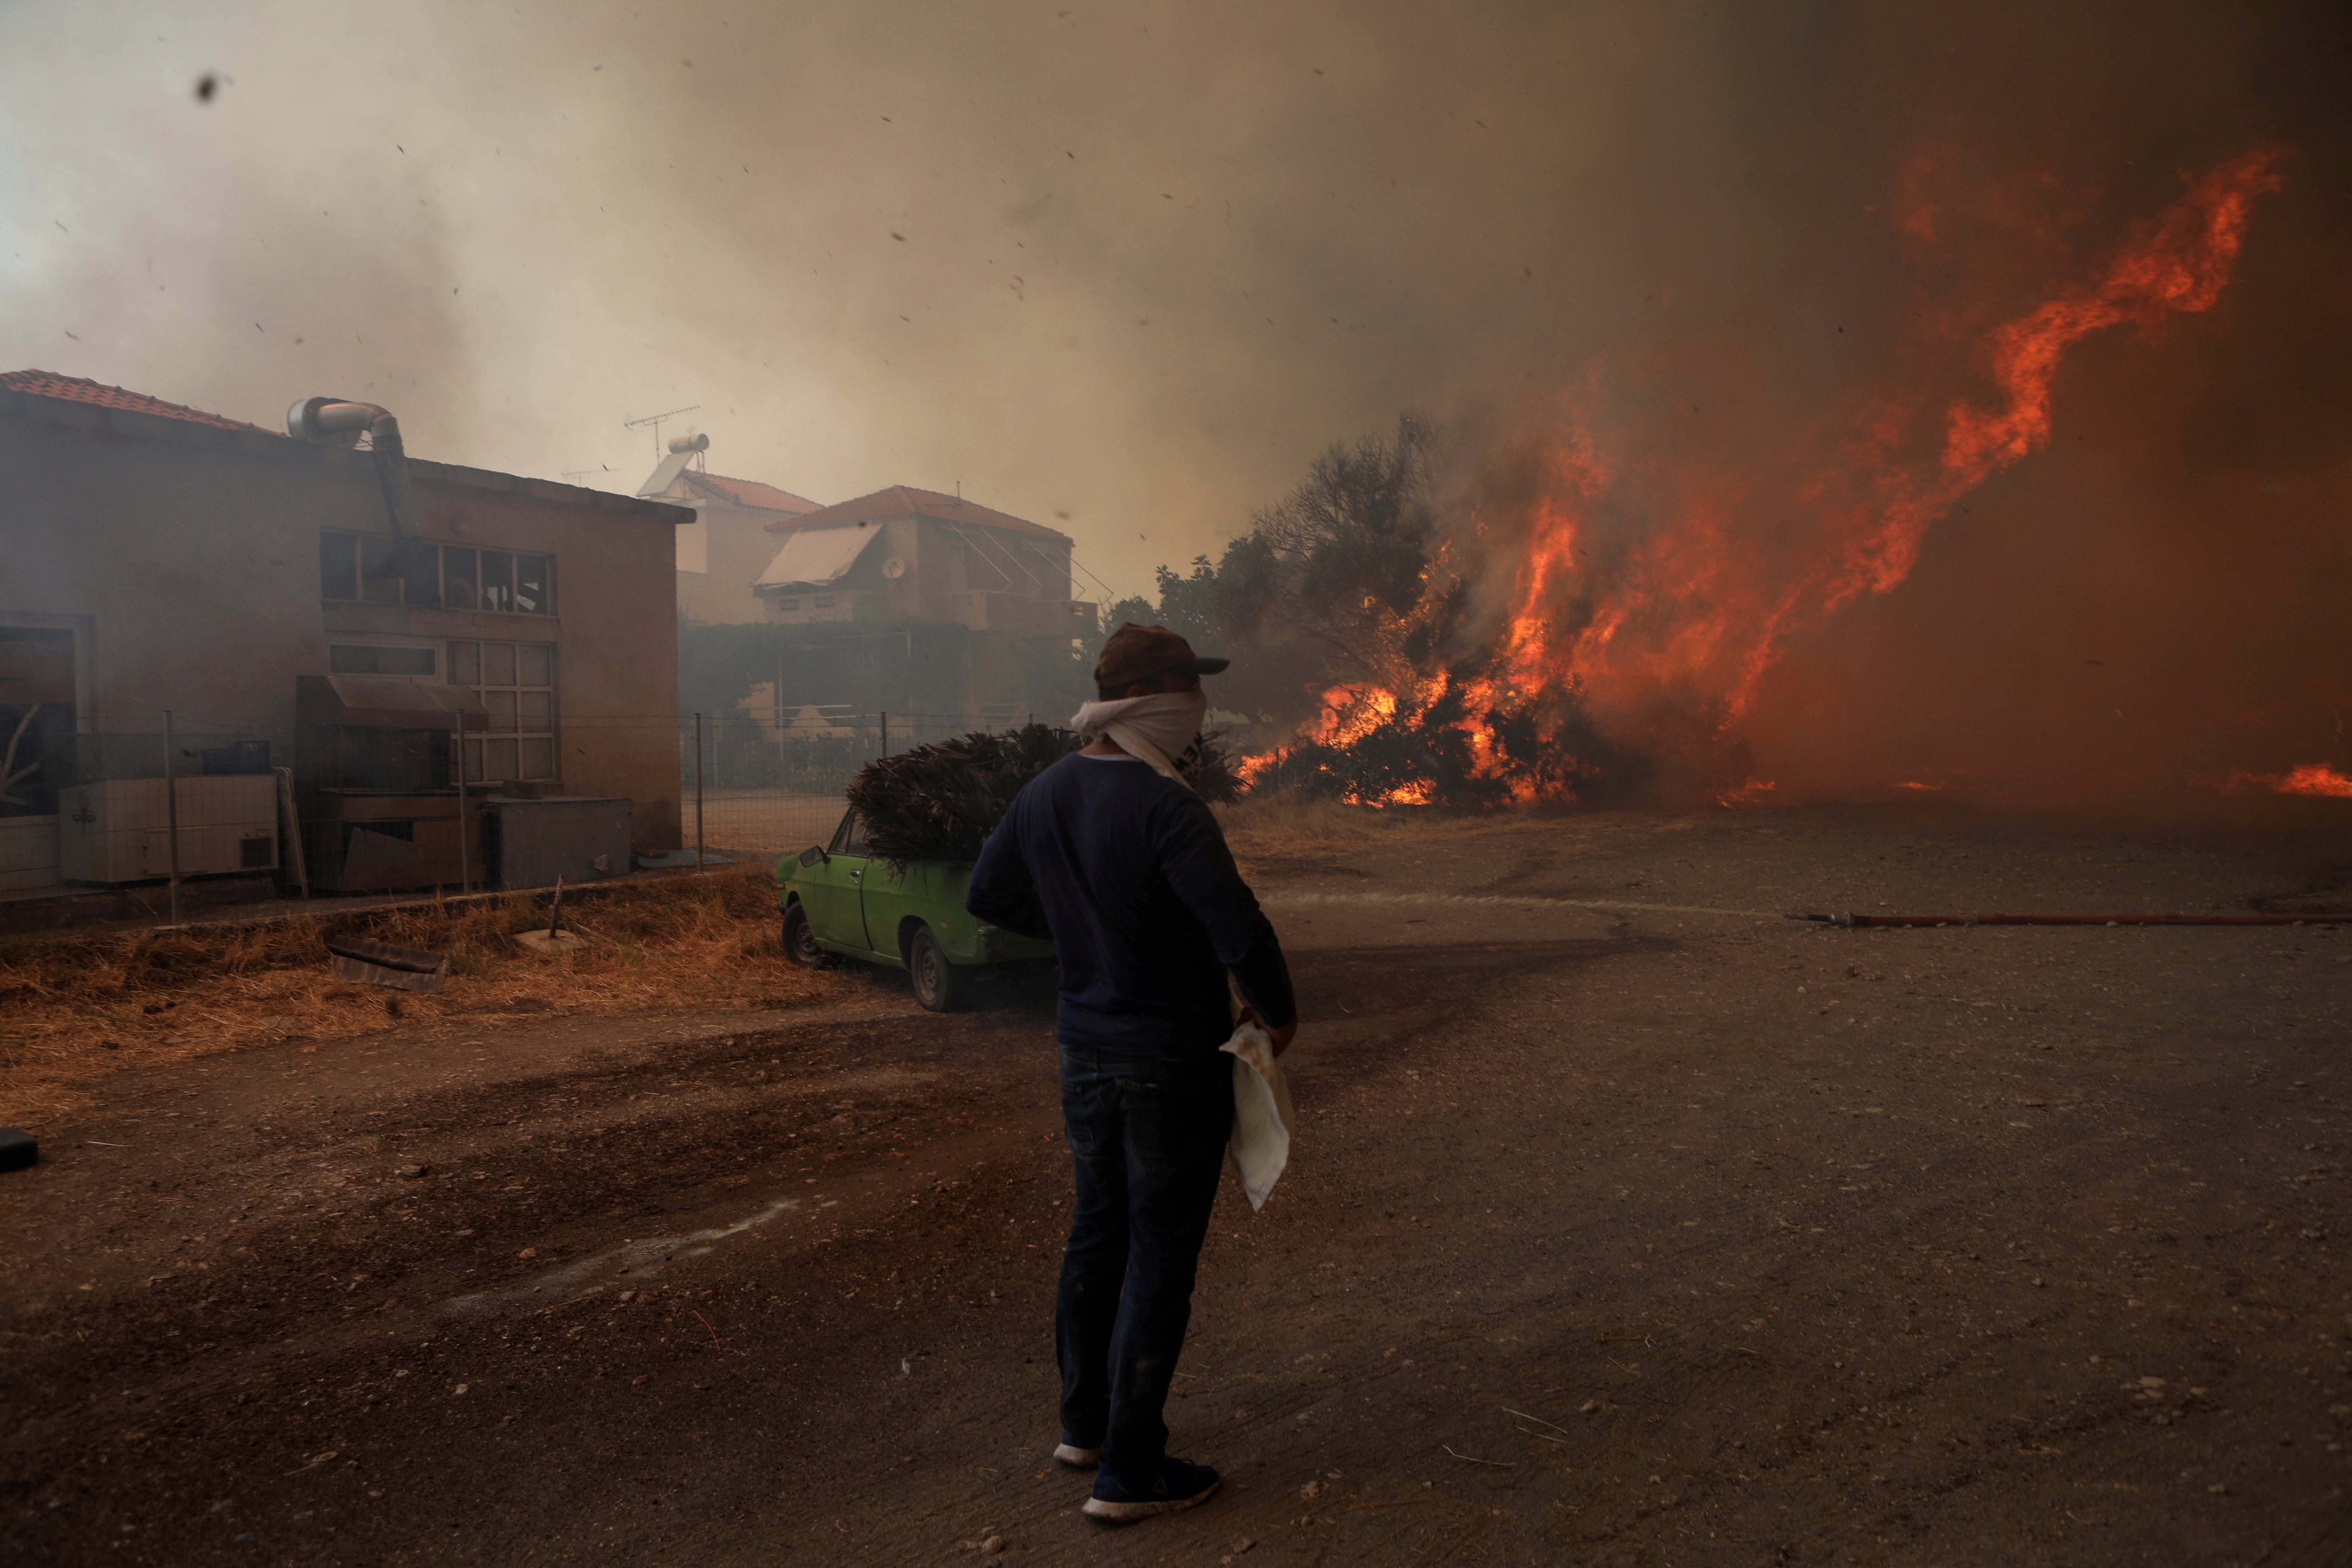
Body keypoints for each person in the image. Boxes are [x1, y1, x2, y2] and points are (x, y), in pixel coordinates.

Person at [967, 623, 1298, 1525]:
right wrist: (1280, 1014)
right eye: (1191, 687)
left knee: (1098, 1233)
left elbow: (986, 894)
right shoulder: (1165, 806)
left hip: (1085, 1051)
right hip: (1166, 1061)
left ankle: (1085, 1428)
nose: (1202, 706)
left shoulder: (1046, 792)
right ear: (1155, 696)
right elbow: (1238, 927)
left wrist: (1089, 931)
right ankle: (1133, 1471)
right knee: (1159, 1255)